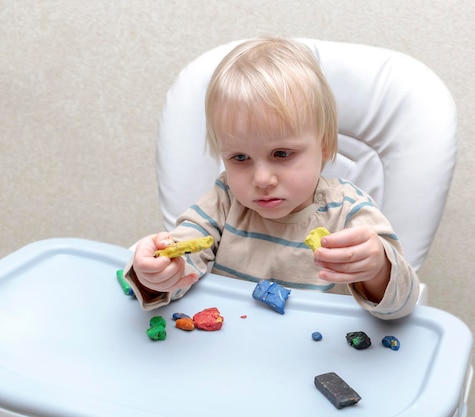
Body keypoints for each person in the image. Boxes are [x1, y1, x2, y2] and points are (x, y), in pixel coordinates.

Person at [124, 37, 420, 320]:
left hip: (318, 357)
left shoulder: (348, 211)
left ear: (325, 145)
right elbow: (181, 266)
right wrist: (155, 275)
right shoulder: (225, 201)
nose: (262, 179)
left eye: (281, 154)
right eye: (240, 158)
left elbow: (402, 305)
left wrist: (377, 269)